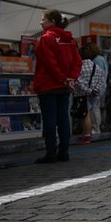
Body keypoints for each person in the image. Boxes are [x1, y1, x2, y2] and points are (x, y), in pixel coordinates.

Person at [33, 9, 82, 163]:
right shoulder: (70, 39)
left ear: (52, 21)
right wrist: (70, 79)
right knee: (63, 119)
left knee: (49, 120)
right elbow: (77, 61)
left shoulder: (46, 38)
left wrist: (63, 79)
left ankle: (51, 153)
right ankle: (64, 152)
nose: (41, 22)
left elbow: (49, 63)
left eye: (43, 19)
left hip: (47, 84)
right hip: (64, 87)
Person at [75, 44, 106, 144]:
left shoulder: (80, 67)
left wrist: (87, 90)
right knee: (94, 110)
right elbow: (101, 80)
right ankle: (93, 130)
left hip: (82, 94)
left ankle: (87, 134)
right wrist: (95, 90)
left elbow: (78, 81)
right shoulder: (97, 67)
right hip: (95, 93)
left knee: (85, 114)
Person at [87, 43, 108, 133]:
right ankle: (96, 127)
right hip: (100, 86)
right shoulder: (100, 59)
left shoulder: (97, 60)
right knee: (96, 107)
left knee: (94, 107)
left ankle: (95, 128)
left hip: (97, 87)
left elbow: (97, 74)